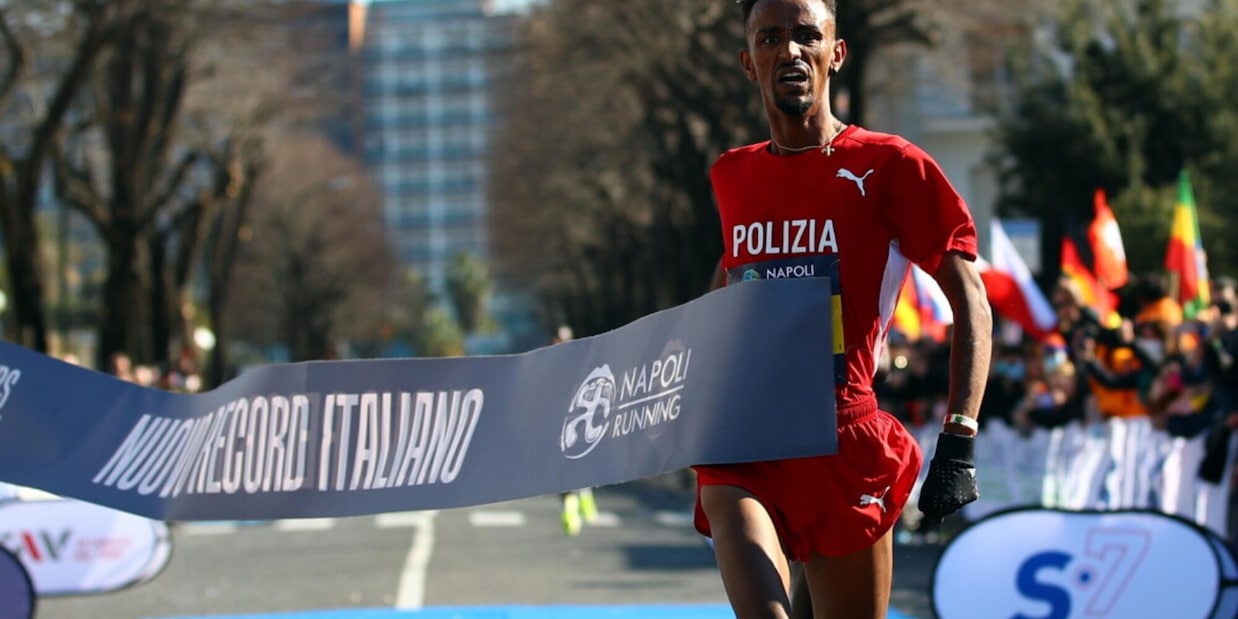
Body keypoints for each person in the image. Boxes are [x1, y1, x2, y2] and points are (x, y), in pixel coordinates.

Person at [692, 1, 992, 617]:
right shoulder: (732, 174)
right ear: (749, 62)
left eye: (807, 35)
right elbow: (732, 273)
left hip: (842, 439)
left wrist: (959, 435)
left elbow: (970, 298)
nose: (790, 50)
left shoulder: (892, 165)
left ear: (837, 53)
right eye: (770, 38)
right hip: (746, 435)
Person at [551, 325, 600, 536]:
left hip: (570, 421)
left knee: (568, 465)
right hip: (572, 422)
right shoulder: (579, 360)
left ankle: (576, 501)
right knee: (573, 463)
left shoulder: (553, 363)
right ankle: (580, 500)